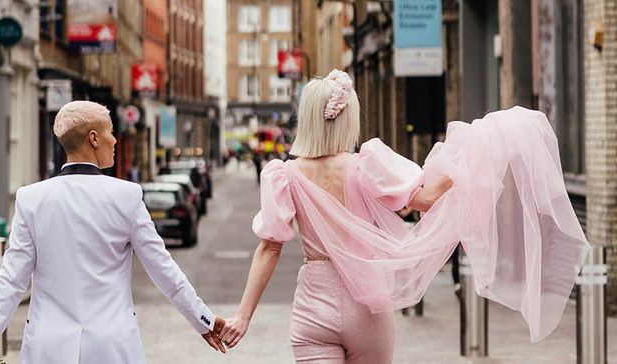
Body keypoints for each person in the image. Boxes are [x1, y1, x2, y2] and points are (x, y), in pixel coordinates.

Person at [219, 70, 588, 362]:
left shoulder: (284, 175)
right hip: (368, 305)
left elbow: (269, 248)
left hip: (313, 307)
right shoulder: (366, 164)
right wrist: (474, 154)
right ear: (348, 119)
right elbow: (425, 199)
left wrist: (243, 316)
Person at [0, 100, 225, 364]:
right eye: (110, 132)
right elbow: (163, 269)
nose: (115, 140)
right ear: (93, 139)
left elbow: (10, 282)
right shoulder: (126, 196)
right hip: (112, 346)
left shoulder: (31, 199)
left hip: (48, 349)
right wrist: (204, 320)